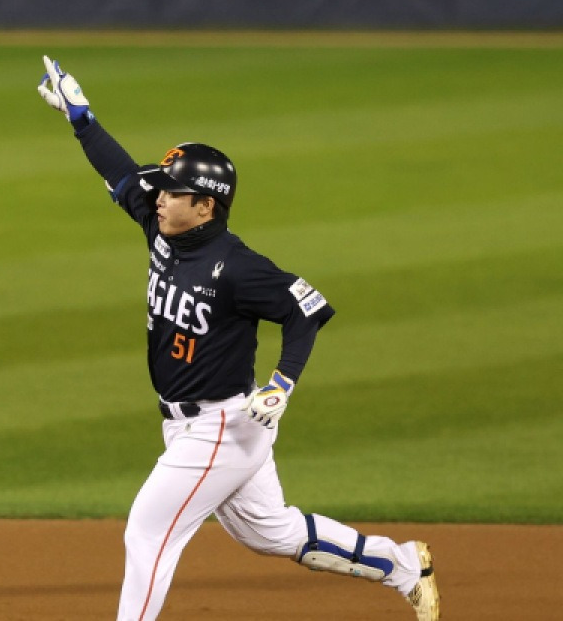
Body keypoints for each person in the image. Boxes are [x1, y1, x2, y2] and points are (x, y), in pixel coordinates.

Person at [36, 55, 440, 621]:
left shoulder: (237, 265)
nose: (160, 197)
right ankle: (401, 564)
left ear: (205, 206)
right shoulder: (162, 224)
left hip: (220, 428)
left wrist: (283, 383)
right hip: (187, 424)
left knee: (148, 532)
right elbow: (125, 173)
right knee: (270, 532)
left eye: (174, 193)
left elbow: (308, 310)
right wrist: (82, 118)